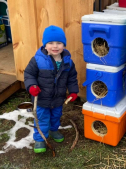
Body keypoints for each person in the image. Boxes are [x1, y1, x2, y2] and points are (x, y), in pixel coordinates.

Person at [24, 25, 79, 153]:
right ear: (45, 45)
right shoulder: (38, 60)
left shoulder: (68, 62)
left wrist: (73, 91)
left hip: (58, 98)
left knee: (56, 116)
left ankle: (53, 130)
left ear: (64, 45)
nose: (55, 46)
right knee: (42, 118)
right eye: (51, 43)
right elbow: (29, 74)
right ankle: (40, 139)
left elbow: (72, 78)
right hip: (41, 98)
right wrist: (32, 86)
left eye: (59, 43)